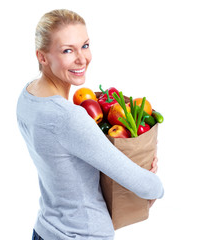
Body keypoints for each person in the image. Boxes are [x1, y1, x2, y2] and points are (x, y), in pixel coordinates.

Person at [16, 9, 164, 240]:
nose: (82, 58)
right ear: (42, 57)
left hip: (44, 230)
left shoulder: (27, 96)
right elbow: (145, 185)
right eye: (67, 50)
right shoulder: (69, 117)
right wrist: (154, 182)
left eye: (84, 45)